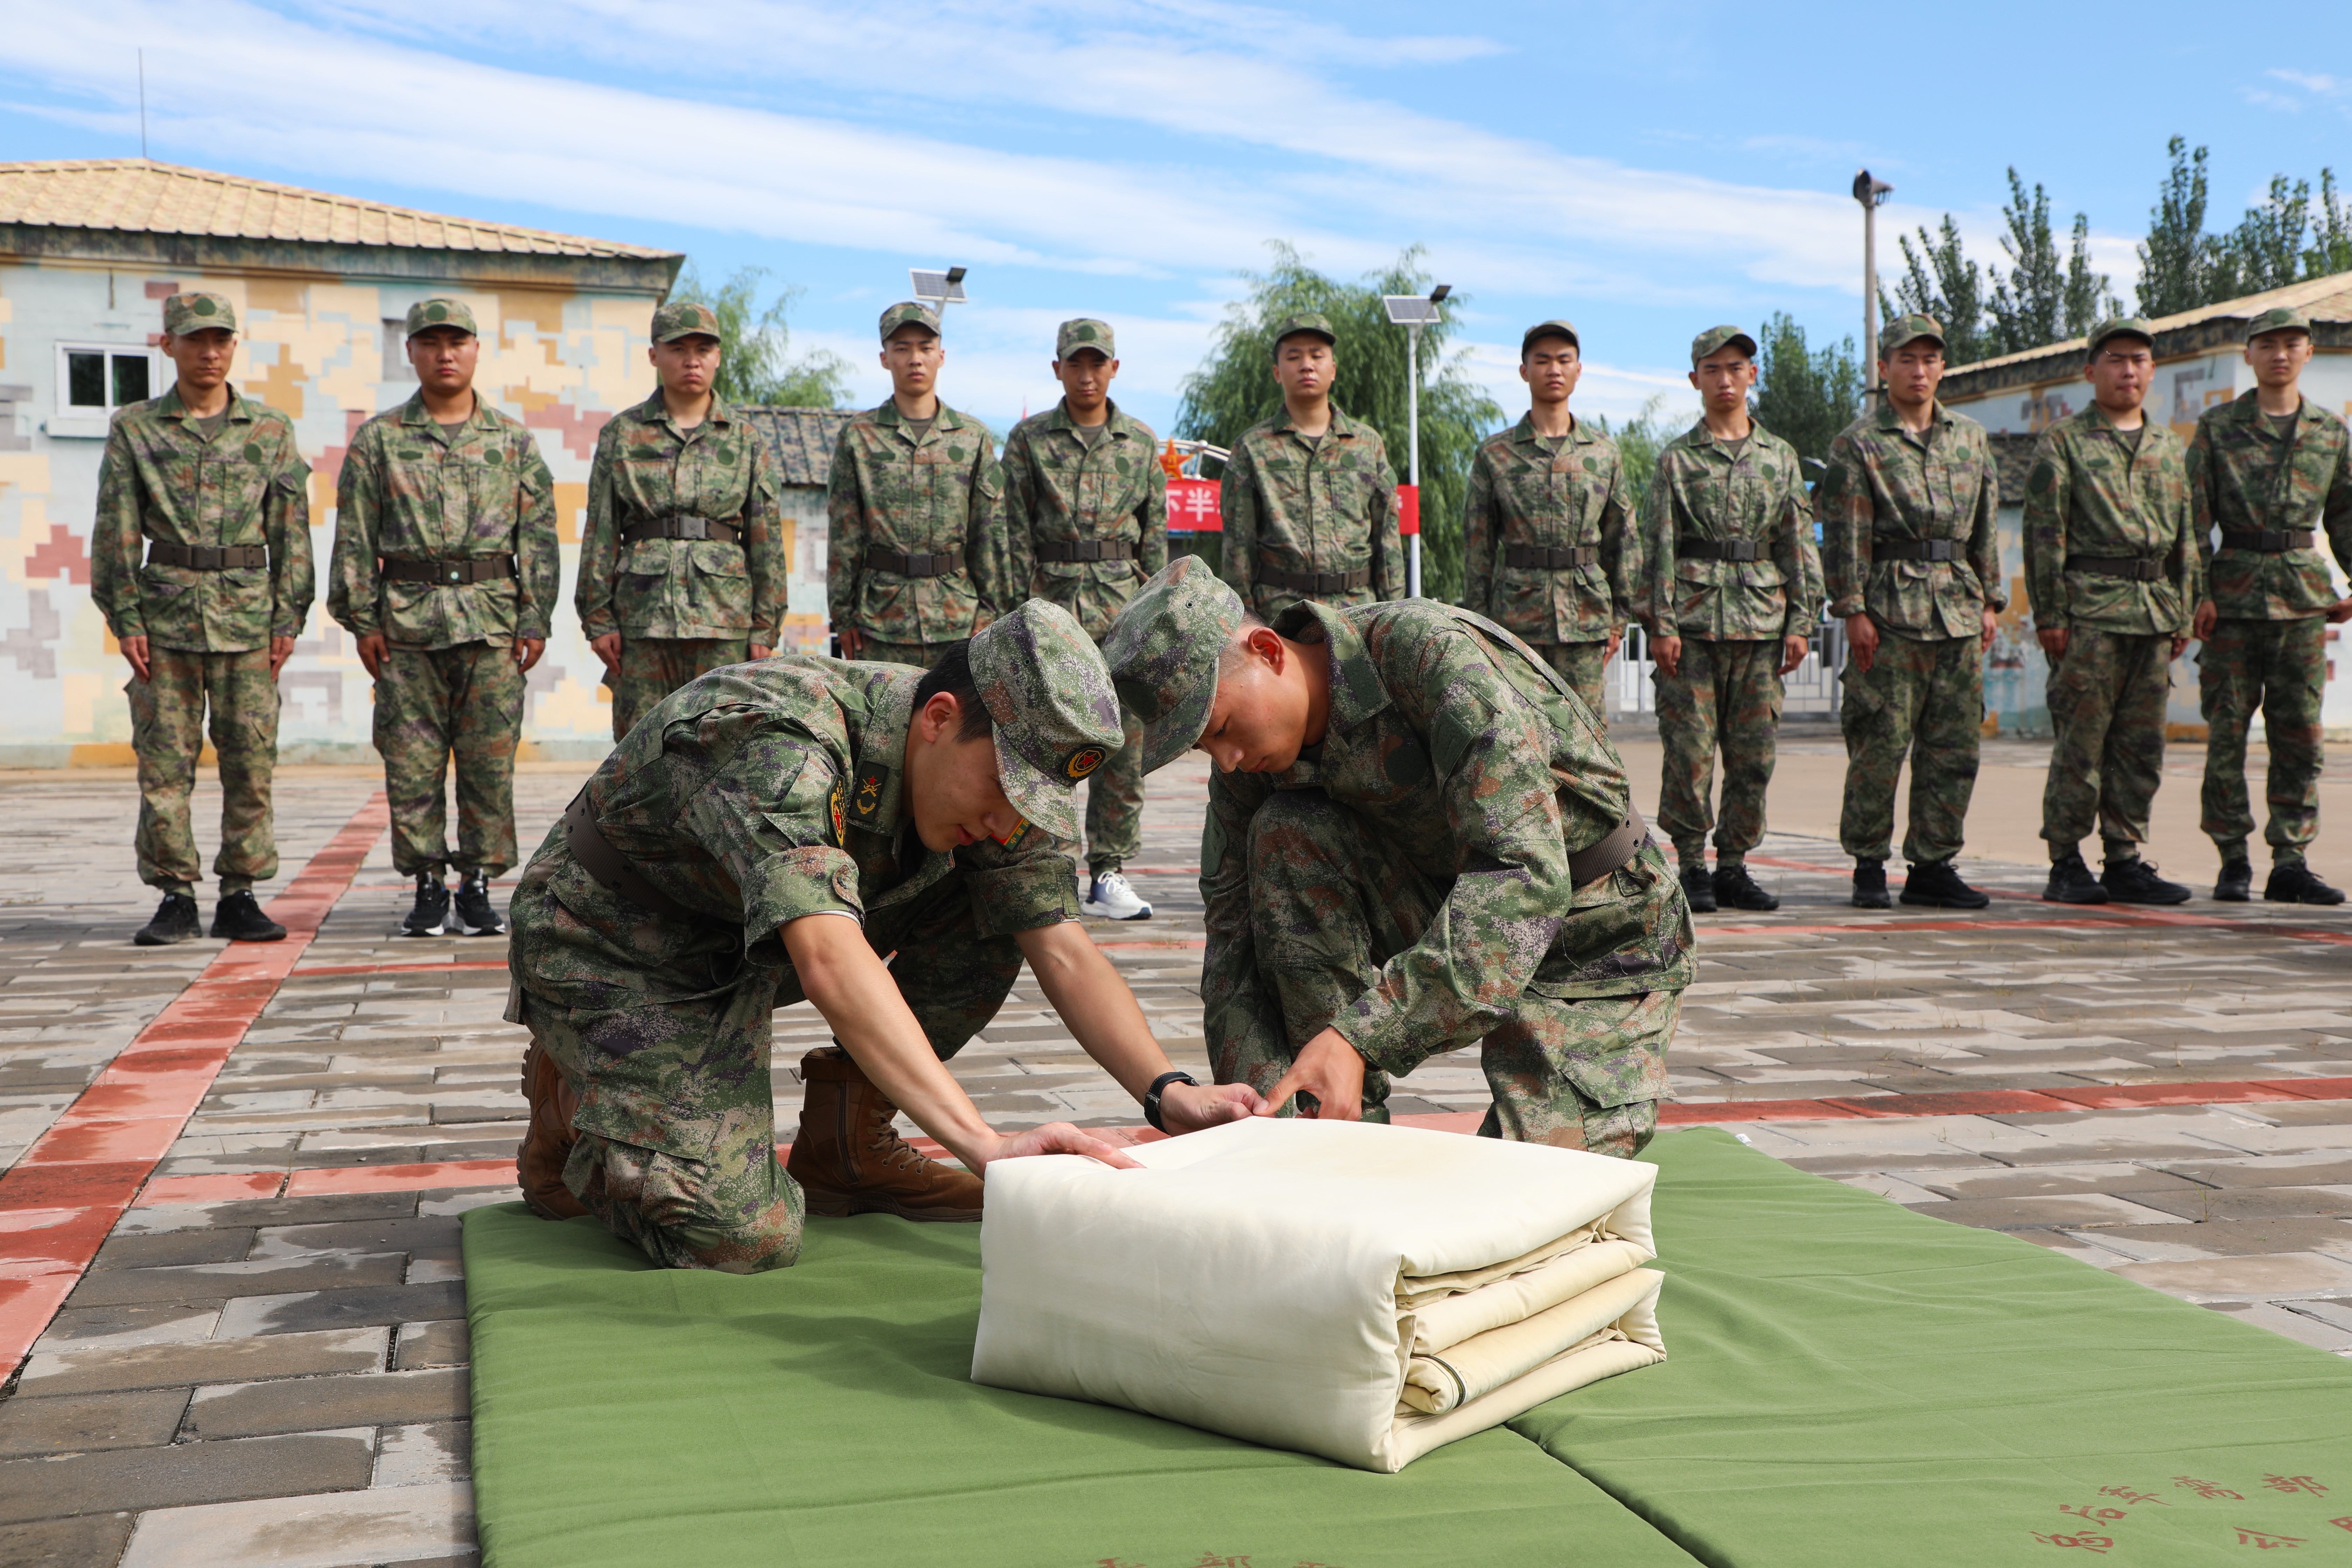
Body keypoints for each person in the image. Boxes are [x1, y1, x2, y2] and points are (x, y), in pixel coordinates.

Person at [507, 599, 1259, 1272]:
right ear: (938, 718)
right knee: (741, 1236)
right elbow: (830, 957)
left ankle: (847, 1141)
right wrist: (984, 1144)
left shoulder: (985, 769)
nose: (1008, 820)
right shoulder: (784, 739)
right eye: (1003, 790)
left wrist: (1168, 1093)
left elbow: (1058, 942)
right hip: (616, 945)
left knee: (999, 898)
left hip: (747, 944)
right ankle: (575, 1100)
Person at [1104, 557, 1692, 1157]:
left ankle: (1349, 1078)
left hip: (1593, 936)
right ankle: (1331, 1130)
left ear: (1267, 650)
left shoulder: (1426, 655)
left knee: (1519, 1206)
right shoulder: (1250, 765)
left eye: (1222, 726)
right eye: (1205, 748)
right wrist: (1259, 1114)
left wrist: (1360, 1037)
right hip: (1448, 912)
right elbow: (1232, 940)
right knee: (1286, 832)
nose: (1225, 759)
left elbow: (1525, 879)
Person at [329, 299, 560, 938]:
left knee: (489, 763)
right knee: (411, 763)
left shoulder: (512, 441)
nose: (445, 353)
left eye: (457, 341)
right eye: (430, 342)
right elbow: (355, 535)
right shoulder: (380, 439)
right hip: (406, 626)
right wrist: (363, 620)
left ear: (477, 349)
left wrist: (534, 617)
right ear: (412, 352)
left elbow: (537, 535)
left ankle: (479, 880)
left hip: (491, 625)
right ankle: (428, 880)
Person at [91, 292, 315, 947]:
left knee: (251, 760)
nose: (209, 352)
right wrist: (124, 615)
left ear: (234, 346)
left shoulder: (269, 430)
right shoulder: (136, 427)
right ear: (168, 345)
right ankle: (175, 894)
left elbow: (292, 531)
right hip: (164, 619)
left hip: (248, 619)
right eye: (194, 339)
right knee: (164, 762)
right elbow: (117, 529)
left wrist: (289, 617)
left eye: (221, 339)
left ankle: (242, 892)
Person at [1819, 314, 2003, 911]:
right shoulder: (1859, 443)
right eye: (1906, 360)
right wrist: (1852, 609)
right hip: (1890, 610)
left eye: (1929, 359)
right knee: (1880, 744)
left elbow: (1985, 527)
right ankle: (1869, 865)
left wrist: (1991, 601)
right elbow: (1846, 534)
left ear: (1942, 367)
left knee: (1953, 747)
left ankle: (1933, 864)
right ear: (1884, 369)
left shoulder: (1970, 438)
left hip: (1957, 608)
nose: (1918, 370)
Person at [1639, 326, 1822, 914]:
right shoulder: (1676, 460)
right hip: (1692, 628)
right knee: (1689, 752)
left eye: (1736, 367)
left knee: (1754, 754)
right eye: (1713, 369)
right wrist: (1660, 624)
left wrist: (1802, 620)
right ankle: (1692, 865)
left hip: (1762, 625)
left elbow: (1797, 543)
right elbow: (1659, 547)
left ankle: (1736, 866)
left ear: (1753, 375)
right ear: (1695, 379)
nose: (1725, 379)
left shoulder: (1781, 458)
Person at [2025, 317, 2201, 905]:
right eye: (2117, 359)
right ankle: (2066, 860)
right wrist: (2050, 614)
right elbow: (2045, 534)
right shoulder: (2065, 442)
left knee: (2139, 746)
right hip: (2090, 614)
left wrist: (2182, 611)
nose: (2130, 370)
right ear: (2091, 370)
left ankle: (2124, 859)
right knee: (2082, 743)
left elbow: (2186, 537)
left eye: (2140, 361)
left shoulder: (2169, 444)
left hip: (2152, 614)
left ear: (2152, 370)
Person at [1000, 318, 1168, 921]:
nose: (1087, 374)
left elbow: (1156, 549)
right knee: (1045, 743)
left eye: (1098, 363)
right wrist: (1012, 615)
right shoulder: (1028, 442)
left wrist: (1159, 623)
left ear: (1115, 369)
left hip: (1122, 613)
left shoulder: (1142, 445)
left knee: (1122, 747)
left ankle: (1109, 872)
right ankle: (1043, 866)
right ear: (1058, 370)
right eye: (1076, 363)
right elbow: (1013, 535)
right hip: (1051, 611)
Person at [2188, 304, 2352, 905]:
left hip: (2302, 599)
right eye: (2268, 345)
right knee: (2227, 733)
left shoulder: (2331, 432)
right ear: (2249, 356)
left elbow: (2344, 514)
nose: (2280, 354)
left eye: (2293, 344)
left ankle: (2290, 860)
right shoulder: (2216, 428)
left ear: (2309, 354)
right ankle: (2232, 857)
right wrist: (2197, 592)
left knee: (2300, 735)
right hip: (2231, 598)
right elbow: (2192, 521)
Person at [576, 300, 788, 743]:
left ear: (718, 356)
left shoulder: (747, 440)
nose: (691, 359)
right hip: (642, 622)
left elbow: (766, 540)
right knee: (641, 749)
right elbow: (600, 530)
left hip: (724, 623)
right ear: (655, 354)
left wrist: (765, 628)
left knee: (723, 749)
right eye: (678, 348)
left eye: (703, 348)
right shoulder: (622, 434)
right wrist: (599, 619)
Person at [1461, 320, 1641, 724]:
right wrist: (1477, 620)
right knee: (1516, 731)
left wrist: (1619, 618)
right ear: (1525, 371)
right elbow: (1478, 545)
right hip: (1515, 620)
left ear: (1579, 369)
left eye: (1564, 360)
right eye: (1542, 360)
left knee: (1586, 735)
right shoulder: (1495, 454)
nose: (1554, 369)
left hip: (1585, 616)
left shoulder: (1603, 454)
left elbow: (1624, 539)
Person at [827, 302, 1008, 671]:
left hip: (957, 618)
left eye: (925, 347)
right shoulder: (859, 437)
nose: (915, 359)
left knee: (956, 724)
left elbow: (990, 534)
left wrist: (992, 613)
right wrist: (843, 616)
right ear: (884, 358)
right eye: (902, 348)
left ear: (941, 356)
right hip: (880, 619)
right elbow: (844, 532)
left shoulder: (972, 437)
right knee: (883, 724)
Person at [1217, 312, 1405, 619]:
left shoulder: (1367, 445)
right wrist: (1245, 626)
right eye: (1294, 357)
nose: (1307, 365)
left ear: (1333, 370)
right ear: (1278, 372)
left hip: (1357, 611)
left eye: (1317, 356)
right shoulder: (1252, 448)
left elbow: (1387, 541)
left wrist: (1393, 615)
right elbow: (1238, 550)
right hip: (1281, 614)